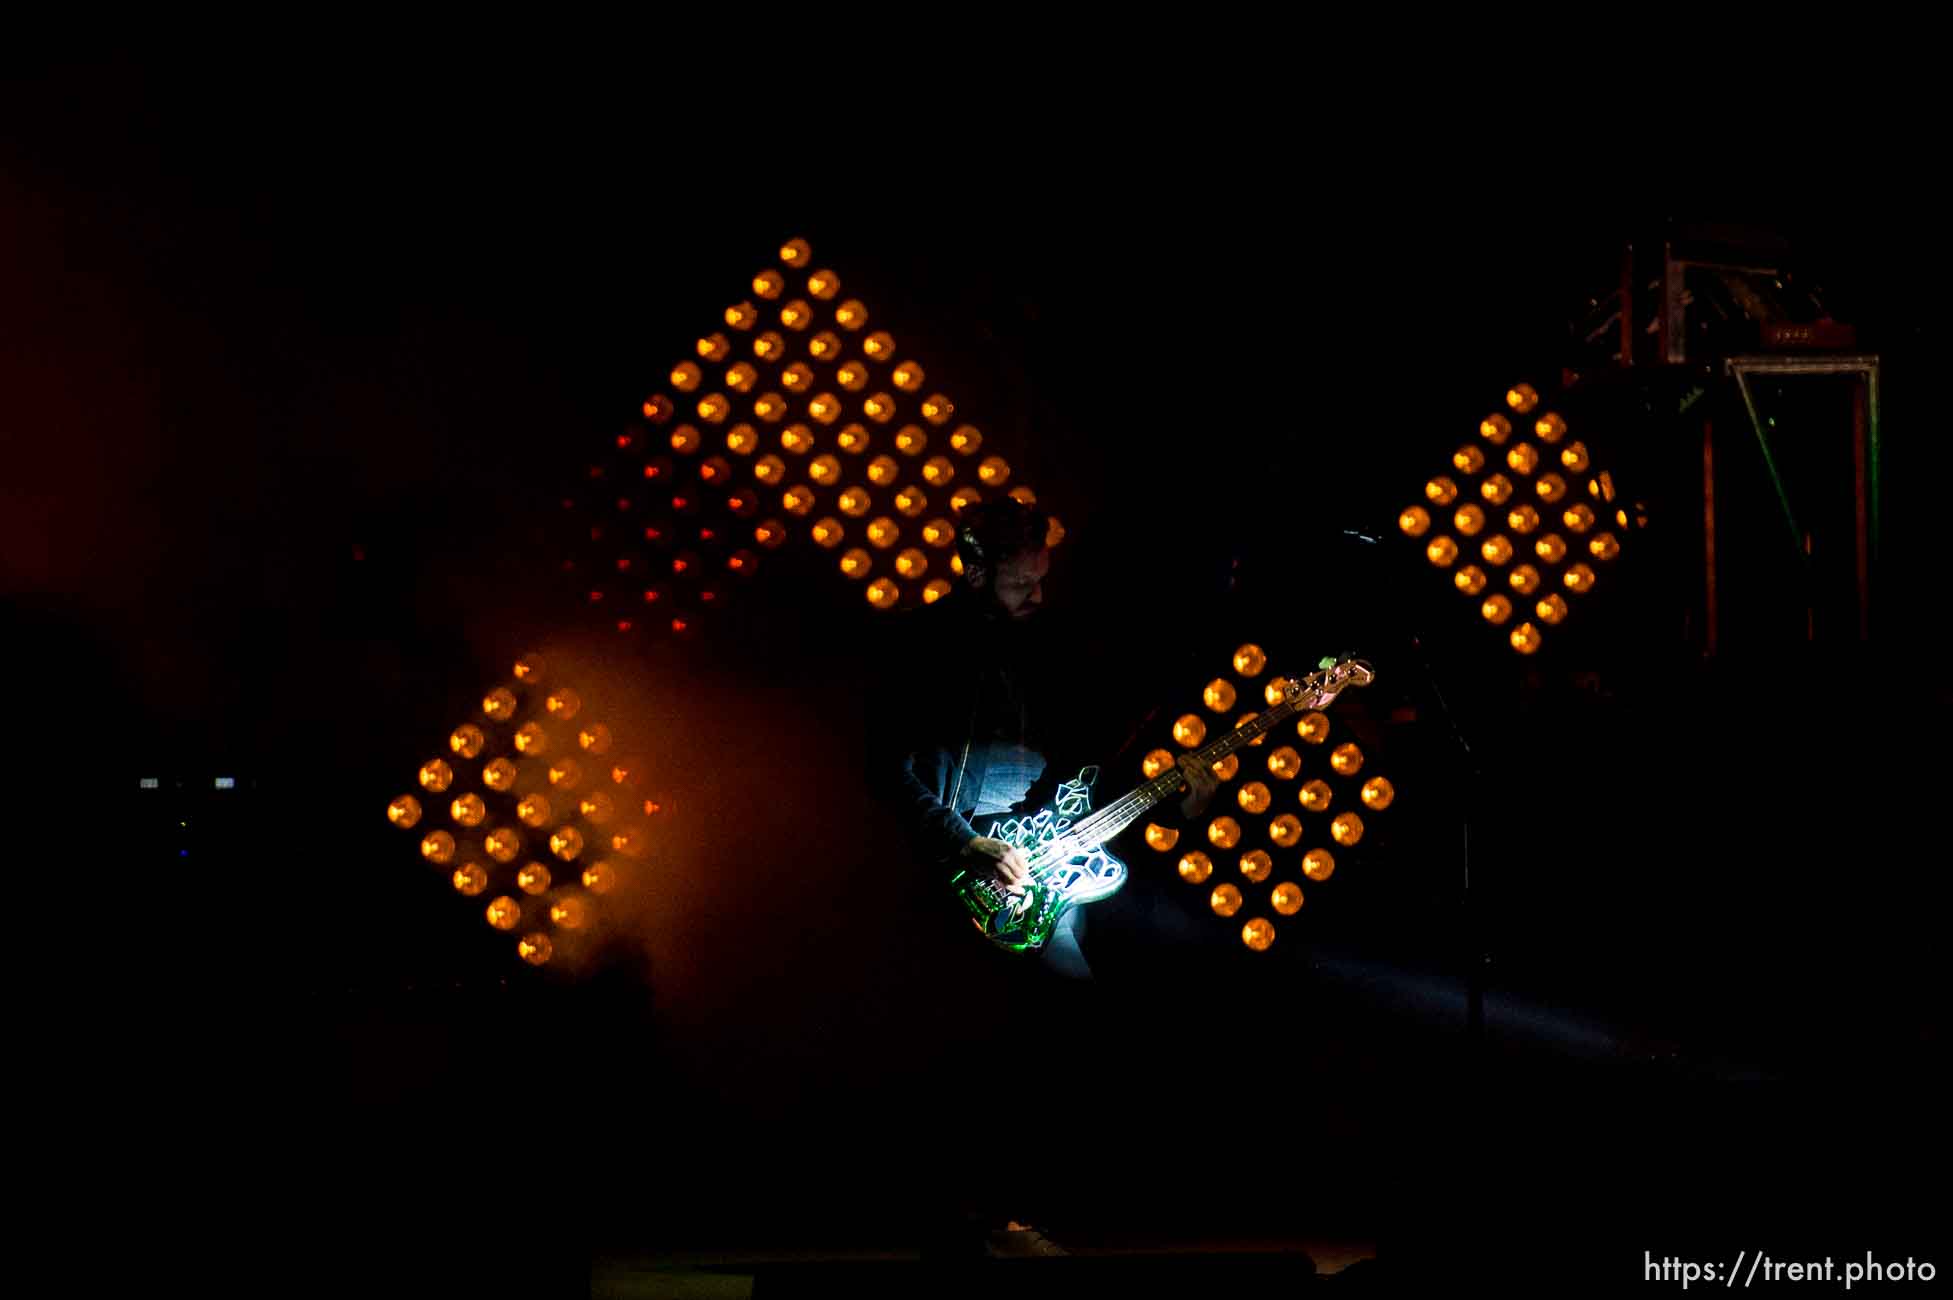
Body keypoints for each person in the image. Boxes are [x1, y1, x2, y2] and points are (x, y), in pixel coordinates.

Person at [866, 497, 1219, 1256]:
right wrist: (961, 843)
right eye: (1022, 583)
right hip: (949, 868)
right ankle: (960, 1215)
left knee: (1063, 1025)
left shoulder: (1058, 650)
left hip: (1047, 871)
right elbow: (883, 767)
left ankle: (1025, 1212)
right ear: (976, 567)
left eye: (1042, 581)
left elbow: (1093, 778)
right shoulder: (921, 645)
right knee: (961, 1037)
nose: (1036, 596)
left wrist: (1177, 803)